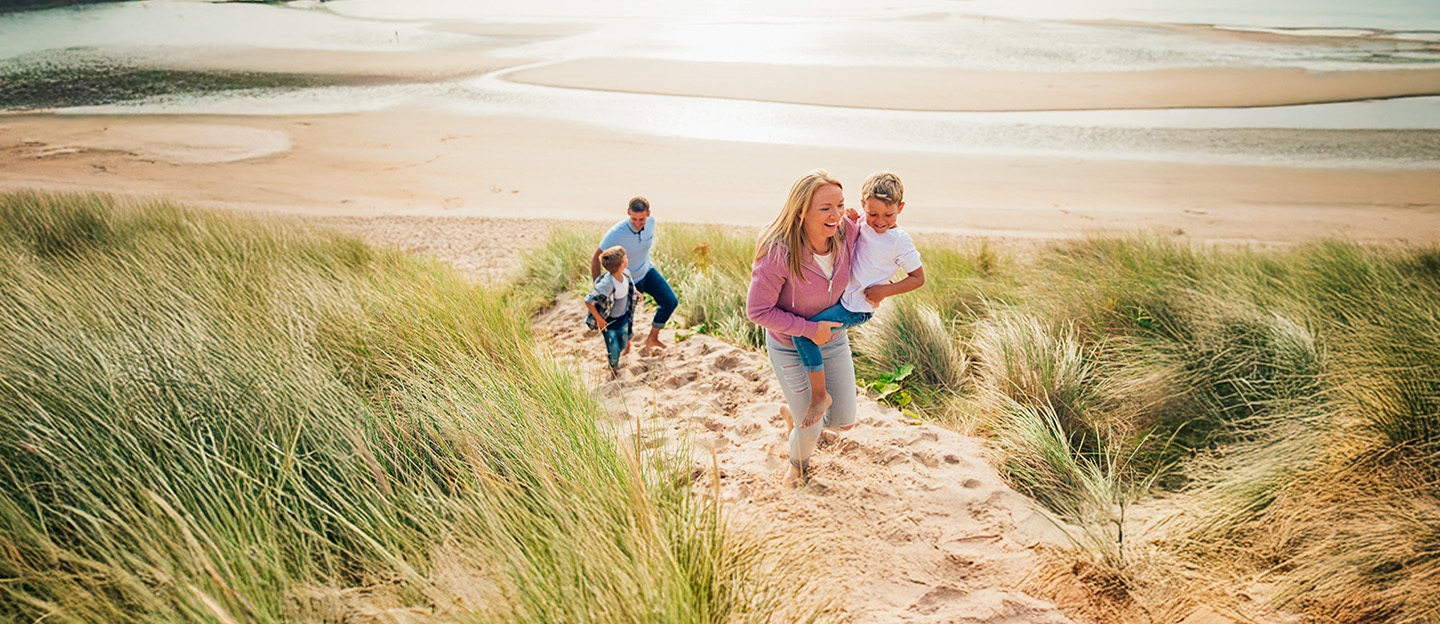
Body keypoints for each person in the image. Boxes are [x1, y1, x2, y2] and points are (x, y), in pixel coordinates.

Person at [747, 169, 862, 487]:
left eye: (840, 205)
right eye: (825, 208)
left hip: (834, 341)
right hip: (789, 345)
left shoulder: (847, 231)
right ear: (801, 212)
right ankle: (797, 466)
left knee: (842, 423)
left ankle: (792, 418)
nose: (836, 215)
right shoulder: (778, 252)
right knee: (811, 426)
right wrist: (809, 330)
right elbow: (757, 311)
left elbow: (882, 231)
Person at [790, 171, 926, 428]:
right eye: (873, 213)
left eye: (889, 215)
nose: (879, 221)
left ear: (901, 208)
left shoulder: (899, 241)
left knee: (803, 333)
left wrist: (884, 291)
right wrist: (851, 216)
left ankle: (820, 396)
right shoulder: (863, 219)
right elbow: (847, 225)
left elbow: (918, 278)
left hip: (856, 307)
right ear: (863, 204)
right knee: (809, 332)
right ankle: (800, 400)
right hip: (843, 298)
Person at [591, 196, 678, 351]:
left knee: (670, 301)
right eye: (634, 219)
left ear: (648, 214)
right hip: (627, 279)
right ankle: (626, 344)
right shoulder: (616, 233)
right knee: (624, 319)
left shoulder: (651, 223)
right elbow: (596, 259)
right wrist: (599, 287)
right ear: (628, 213)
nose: (638, 223)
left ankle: (652, 338)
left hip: (647, 272)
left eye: (641, 219)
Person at [585, 245, 639, 376]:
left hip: (624, 318)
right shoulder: (607, 284)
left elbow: (629, 286)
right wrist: (599, 319)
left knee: (622, 343)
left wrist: (637, 293)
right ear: (621, 265)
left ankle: (614, 355)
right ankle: (613, 368)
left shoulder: (626, 274)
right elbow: (588, 300)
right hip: (609, 323)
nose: (627, 259)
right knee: (614, 349)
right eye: (625, 258)